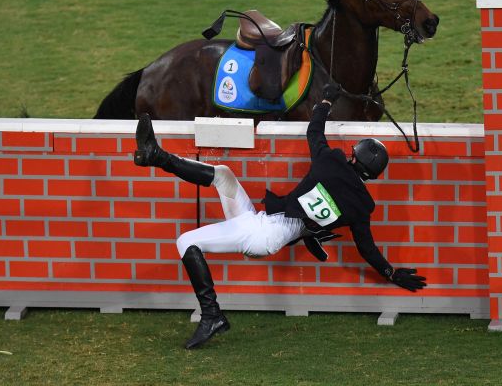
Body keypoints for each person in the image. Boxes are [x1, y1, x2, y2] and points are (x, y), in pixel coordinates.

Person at [132, 82, 427, 349]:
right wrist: (391, 273)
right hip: (262, 226)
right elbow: (366, 248)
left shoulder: (332, 161)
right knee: (223, 175)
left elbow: (314, 132)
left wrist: (325, 101)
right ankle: (155, 156)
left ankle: (213, 315)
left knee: (186, 241)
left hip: (262, 233)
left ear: (354, 156)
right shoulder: (362, 206)